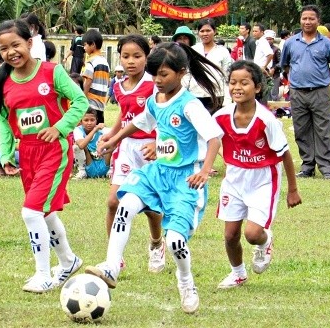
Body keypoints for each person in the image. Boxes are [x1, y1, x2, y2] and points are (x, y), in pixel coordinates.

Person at [85, 42, 223, 314]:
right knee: (123, 205)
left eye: (163, 75)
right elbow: (140, 122)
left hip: (185, 181)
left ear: (181, 73)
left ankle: (186, 281)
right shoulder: (155, 100)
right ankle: (112, 265)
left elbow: (214, 137)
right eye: (155, 74)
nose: (157, 81)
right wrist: (113, 139)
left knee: (175, 242)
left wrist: (205, 170)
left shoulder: (190, 105)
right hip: (157, 174)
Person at [0, 19, 88, 293]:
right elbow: (3, 119)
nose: (11, 52)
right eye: (4, 48)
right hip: (28, 153)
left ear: (30, 43)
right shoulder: (1, 83)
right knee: (44, 214)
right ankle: (68, 261)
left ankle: (43, 274)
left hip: (55, 151)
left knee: (31, 212)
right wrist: (7, 153)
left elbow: (80, 101)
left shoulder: (52, 72)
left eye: (16, 45)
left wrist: (60, 128)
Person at [212, 60, 302, 289]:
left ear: (258, 88)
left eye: (244, 82)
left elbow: (285, 154)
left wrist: (292, 189)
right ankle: (238, 274)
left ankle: (265, 241)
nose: (237, 87)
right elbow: (207, 140)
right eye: (232, 83)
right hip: (234, 178)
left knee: (252, 234)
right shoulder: (221, 117)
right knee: (231, 234)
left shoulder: (266, 120)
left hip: (263, 178)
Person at [100, 34, 164, 274]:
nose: (131, 61)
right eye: (126, 56)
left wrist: (158, 144)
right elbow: (124, 116)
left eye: (137, 56)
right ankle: (113, 259)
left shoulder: (153, 85)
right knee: (113, 202)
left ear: (147, 57)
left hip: (149, 149)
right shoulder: (118, 85)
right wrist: (111, 136)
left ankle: (157, 243)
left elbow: (160, 118)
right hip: (126, 148)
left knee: (150, 206)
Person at [280, 4, 330, 179]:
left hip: (320, 92)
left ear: (318, 21)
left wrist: (320, 79)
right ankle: (307, 166)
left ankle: (326, 167)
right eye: (304, 18)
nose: (307, 22)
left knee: (323, 130)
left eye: (311, 18)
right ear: (300, 20)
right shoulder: (291, 43)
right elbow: (285, 65)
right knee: (301, 130)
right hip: (298, 92)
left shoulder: (328, 44)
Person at [192, 18, 233, 109]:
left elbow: (227, 76)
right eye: (202, 31)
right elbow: (188, 75)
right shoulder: (193, 50)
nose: (205, 34)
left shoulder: (223, 51)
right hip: (195, 95)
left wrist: (227, 99)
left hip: (216, 96)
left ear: (214, 31)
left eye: (208, 30)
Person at [72, 108, 111, 179]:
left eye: (92, 120)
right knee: (76, 147)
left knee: (113, 142)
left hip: (104, 163)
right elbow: (81, 145)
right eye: (86, 120)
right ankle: (82, 171)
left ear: (96, 120)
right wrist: (94, 130)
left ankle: (112, 169)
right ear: (81, 121)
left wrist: (104, 142)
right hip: (89, 165)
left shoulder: (103, 130)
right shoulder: (78, 130)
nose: (89, 123)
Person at [82, 29, 110, 123]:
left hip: (91, 102)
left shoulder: (91, 61)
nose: (84, 48)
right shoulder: (105, 62)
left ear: (92, 44)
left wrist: (83, 97)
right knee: (99, 129)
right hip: (101, 103)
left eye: (85, 44)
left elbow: (88, 81)